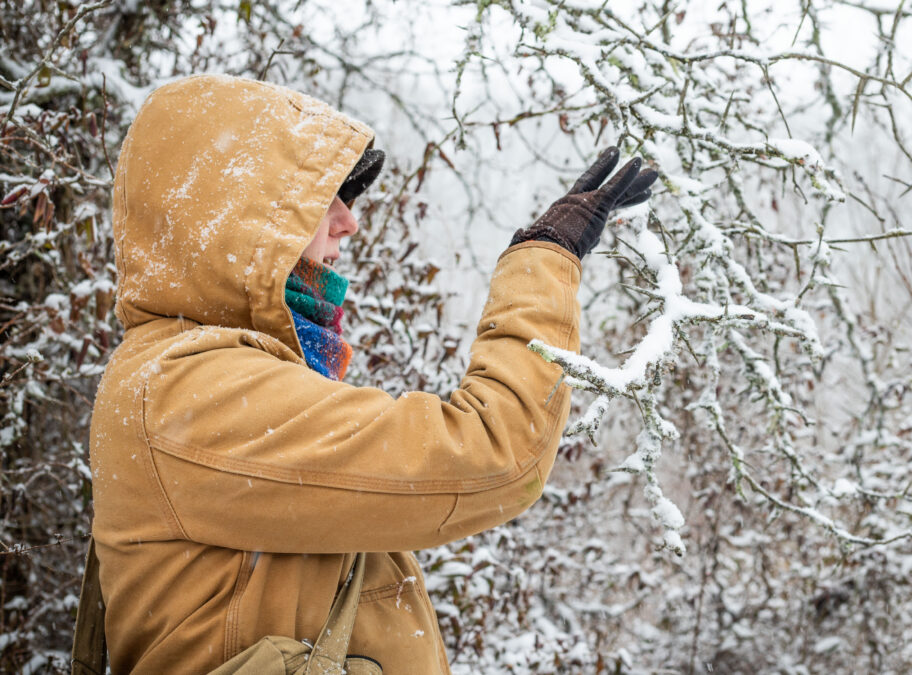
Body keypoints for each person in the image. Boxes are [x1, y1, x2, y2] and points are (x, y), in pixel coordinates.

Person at [88, 74, 656, 673]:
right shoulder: (187, 390)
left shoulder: (193, 376)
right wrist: (545, 258)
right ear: (232, 214)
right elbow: (494, 452)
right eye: (318, 199)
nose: (347, 222)